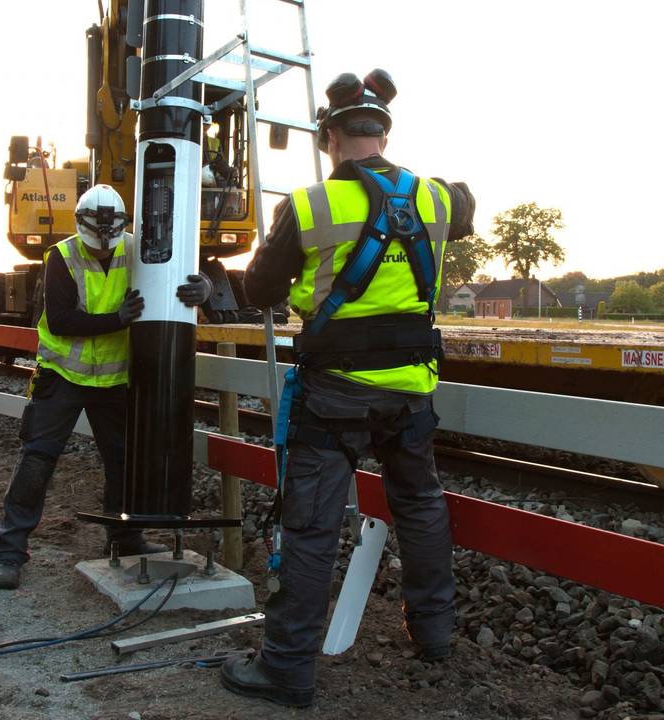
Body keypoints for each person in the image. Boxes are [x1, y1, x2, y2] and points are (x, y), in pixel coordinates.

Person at [220, 69, 475, 706]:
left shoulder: (308, 206)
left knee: (310, 527)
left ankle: (287, 669)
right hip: (411, 392)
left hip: (334, 395)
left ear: (330, 136)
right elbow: (463, 203)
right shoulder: (438, 200)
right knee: (419, 506)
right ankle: (435, 637)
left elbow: (260, 292)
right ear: (383, 132)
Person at [0, 184, 213, 590]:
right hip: (62, 375)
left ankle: (125, 538)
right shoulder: (62, 257)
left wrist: (205, 290)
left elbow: (185, 276)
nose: (104, 250)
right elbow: (59, 320)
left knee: (125, 462)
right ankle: (10, 552)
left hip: (113, 379)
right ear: (82, 227)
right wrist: (118, 320)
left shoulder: (139, 249)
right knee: (37, 459)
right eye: (98, 244)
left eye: (109, 244)